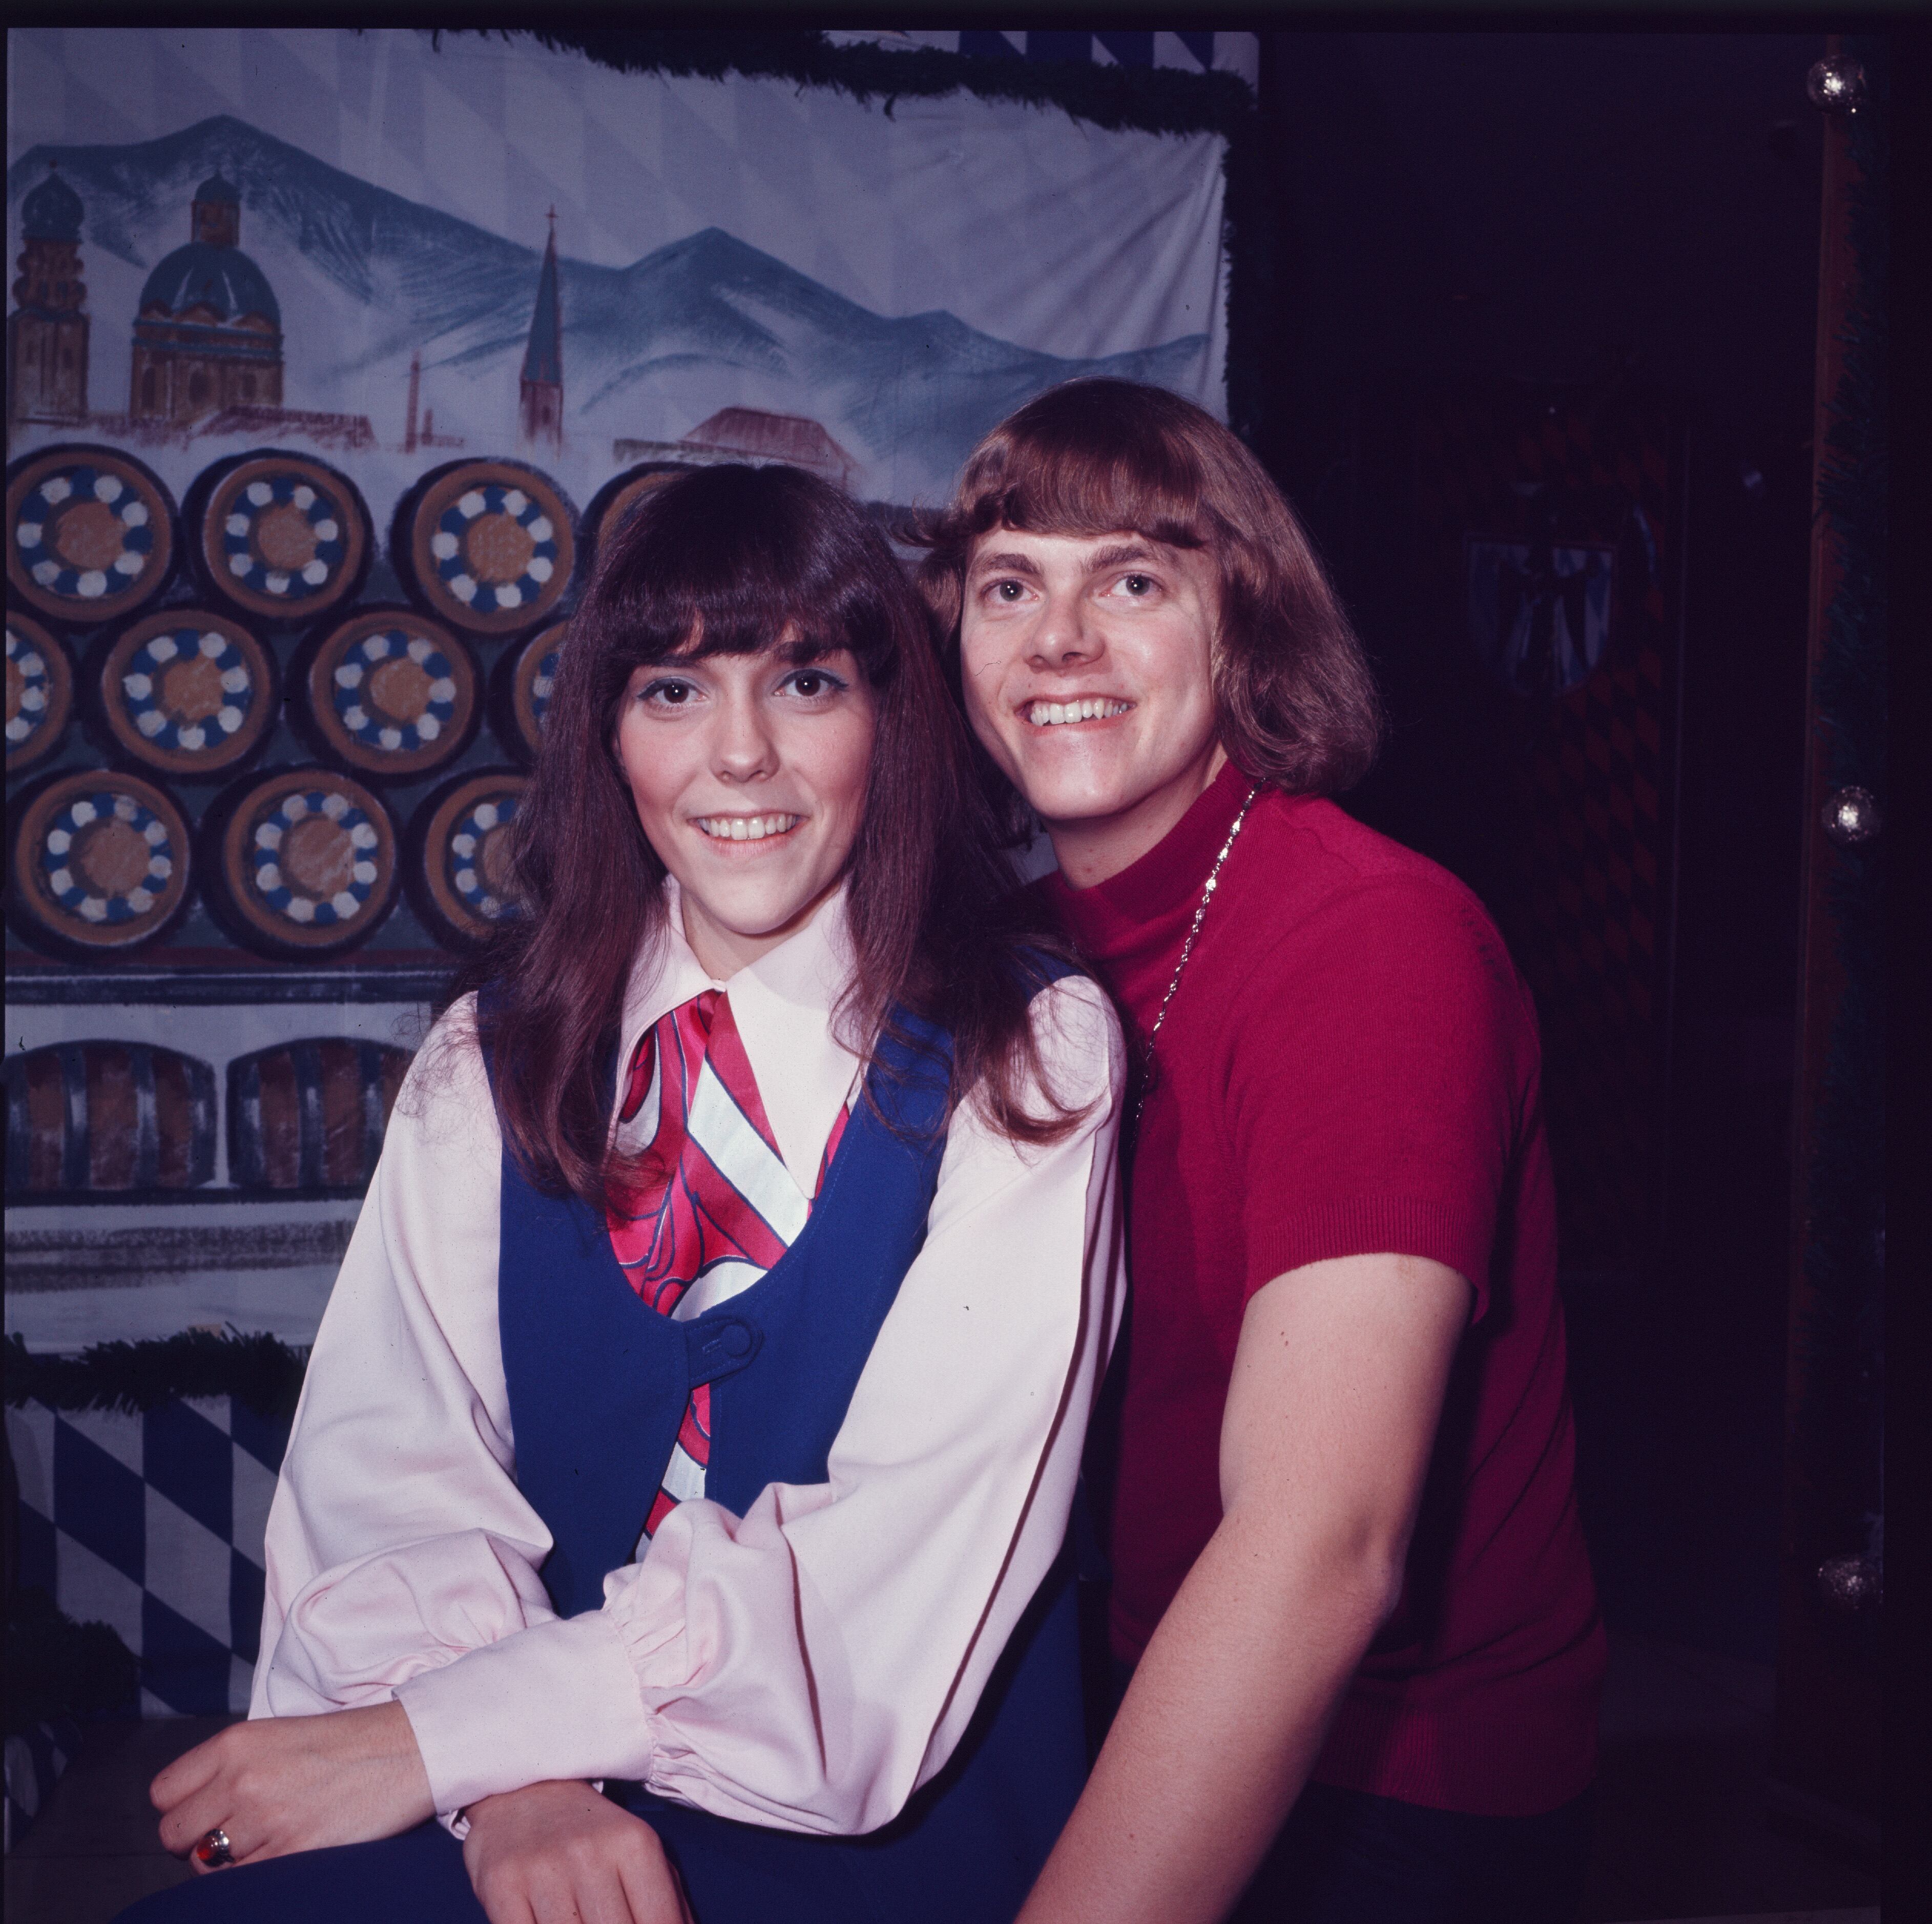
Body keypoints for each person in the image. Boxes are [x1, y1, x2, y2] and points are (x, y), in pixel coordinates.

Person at [123, 464, 1125, 1924]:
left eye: (803, 685)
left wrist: (438, 1737)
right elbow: (391, 1475)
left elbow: (887, 1585)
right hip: (522, 1806)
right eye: (671, 690)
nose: (737, 759)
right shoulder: (497, 1050)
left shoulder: (1027, 1048)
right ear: (606, 733)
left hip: (885, 1831)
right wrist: (518, 1785)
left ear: (888, 724)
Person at [921, 378, 1606, 1924]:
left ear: (1247, 627)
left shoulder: (1367, 942)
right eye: (1009, 585)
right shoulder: (1014, 960)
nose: (1060, 642)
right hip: (1126, 1678)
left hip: (1398, 1772)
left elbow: (1319, 1549)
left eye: (1134, 581)